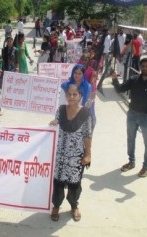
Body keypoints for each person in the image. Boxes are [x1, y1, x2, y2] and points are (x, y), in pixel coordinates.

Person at [49, 84, 92, 222]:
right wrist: (54, 122)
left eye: (75, 94)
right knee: (58, 182)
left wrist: (88, 154)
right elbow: (56, 123)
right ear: (66, 95)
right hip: (60, 155)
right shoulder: (61, 110)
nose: (72, 97)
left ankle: (74, 205)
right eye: (69, 94)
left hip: (76, 156)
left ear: (80, 96)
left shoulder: (85, 113)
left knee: (74, 183)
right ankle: (56, 206)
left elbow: (87, 135)